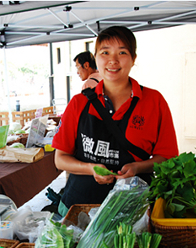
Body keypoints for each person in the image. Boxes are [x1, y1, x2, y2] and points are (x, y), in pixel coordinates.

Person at [52, 26, 179, 217]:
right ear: (96, 58)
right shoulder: (79, 103)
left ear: (133, 59)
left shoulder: (154, 101)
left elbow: (167, 157)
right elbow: (60, 159)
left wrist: (138, 167)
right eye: (105, 52)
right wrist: (90, 168)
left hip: (134, 209)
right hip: (80, 209)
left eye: (122, 52)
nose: (113, 60)